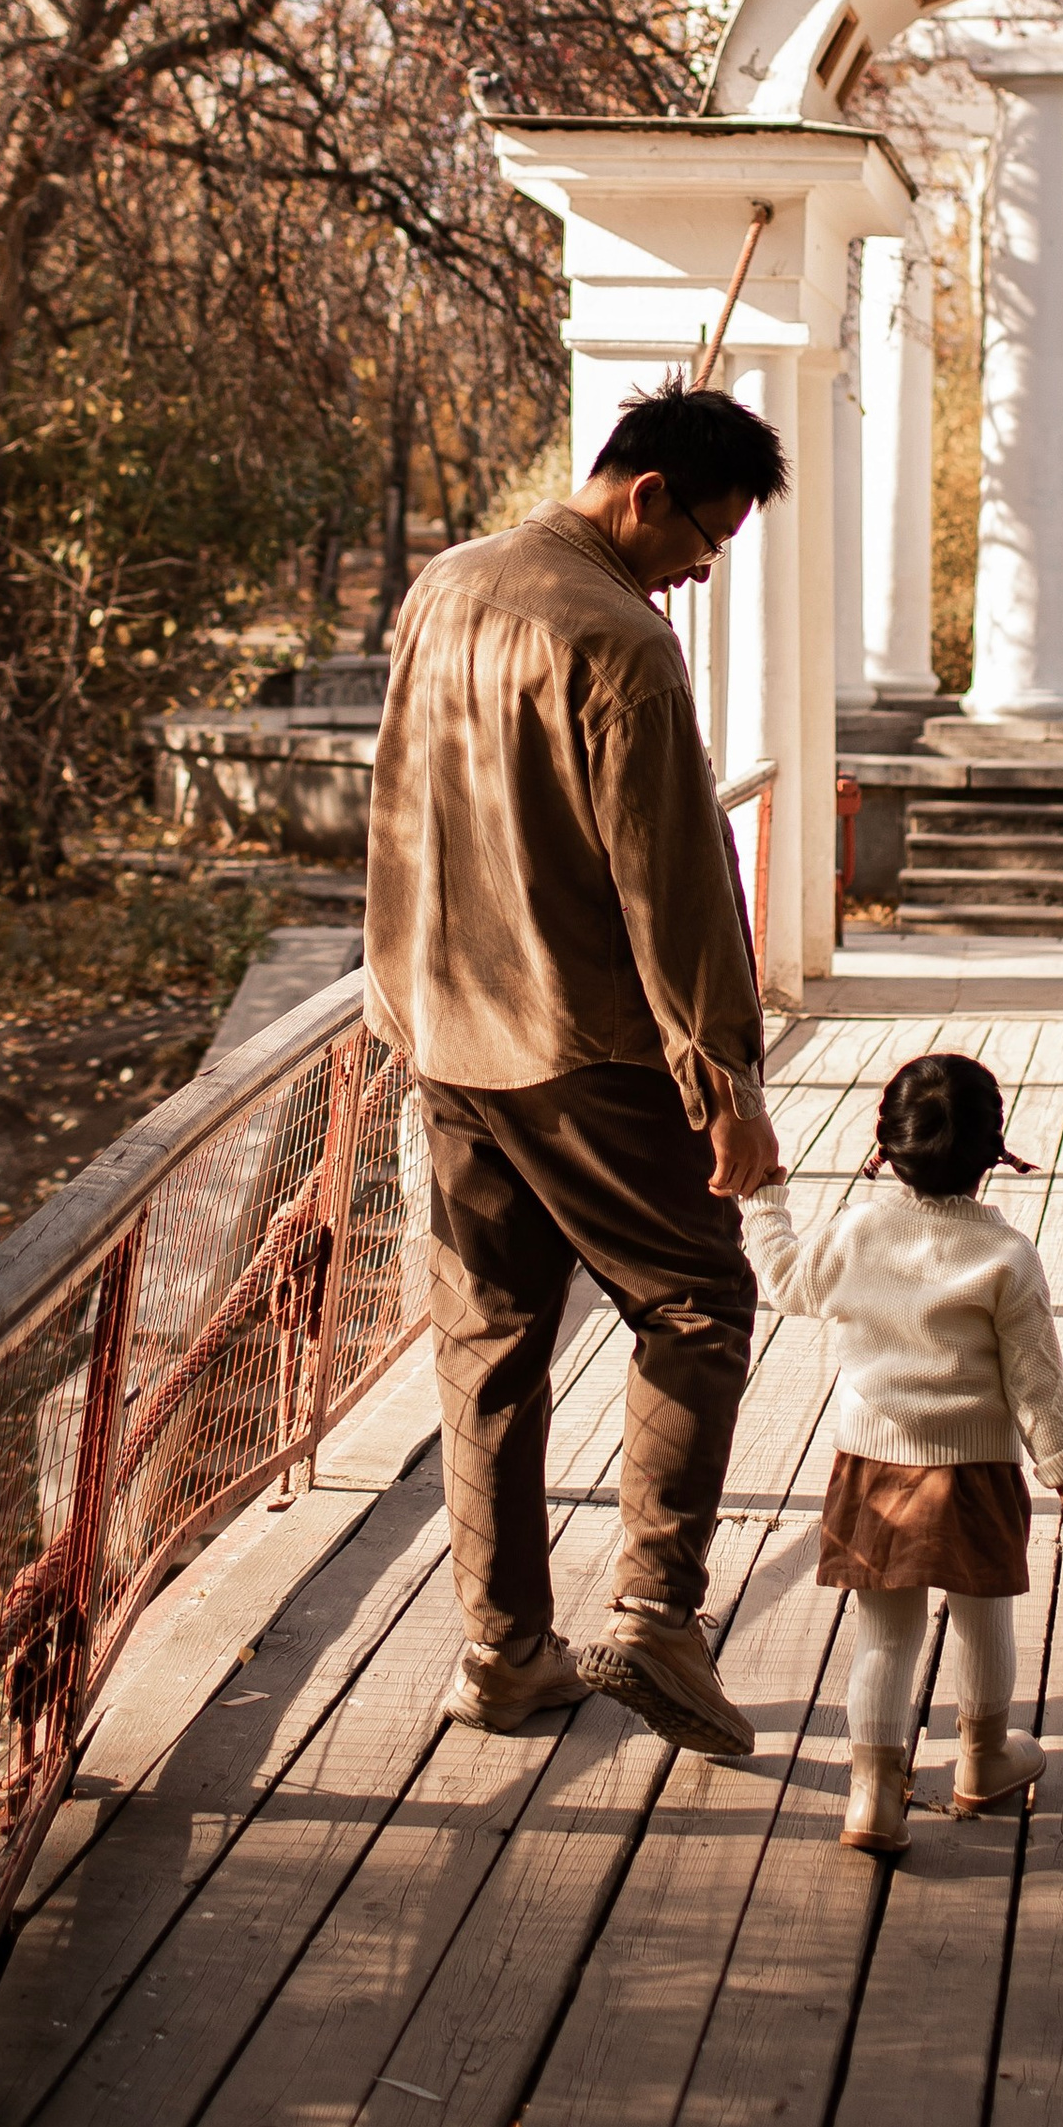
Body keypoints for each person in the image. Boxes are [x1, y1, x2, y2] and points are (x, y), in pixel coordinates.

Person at [365, 375, 789, 1760]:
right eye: (702, 542)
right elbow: (675, 887)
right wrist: (725, 1087)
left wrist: (397, 1003)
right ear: (644, 493)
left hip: (448, 1035)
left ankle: (503, 1655)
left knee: (488, 1343)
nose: (700, 574)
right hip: (586, 1050)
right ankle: (657, 1616)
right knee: (697, 1302)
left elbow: (393, 804)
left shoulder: (443, 586)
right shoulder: (622, 642)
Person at [741, 1049, 1063, 1855]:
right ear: (992, 1152)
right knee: (983, 1616)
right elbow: (1035, 1380)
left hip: (874, 1470)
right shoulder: (1007, 1256)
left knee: (885, 1634)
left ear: (888, 1147)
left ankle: (873, 1793)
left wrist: (764, 1199)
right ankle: (984, 1756)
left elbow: (788, 1283)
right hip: (976, 1471)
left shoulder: (857, 1230)